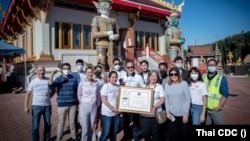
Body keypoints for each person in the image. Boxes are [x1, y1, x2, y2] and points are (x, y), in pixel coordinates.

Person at [49, 63, 79, 141]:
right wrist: (52, 74)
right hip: (62, 104)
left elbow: (77, 91)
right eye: (64, 68)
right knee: (61, 123)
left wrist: (78, 103)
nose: (66, 70)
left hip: (73, 104)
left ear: (70, 69)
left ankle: (74, 137)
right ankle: (59, 138)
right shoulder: (59, 79)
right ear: (62, 70)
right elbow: (50, 86)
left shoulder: (74, 79)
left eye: (68, 68)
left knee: (72, 122)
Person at [24, 66, 54, 141]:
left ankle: (46, 139)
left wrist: (47, 97)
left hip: (47, 106)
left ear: (45, 71)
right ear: (36, 72)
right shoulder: (33, 81)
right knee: (35, 126)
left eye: (43, 70)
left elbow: (53, 90)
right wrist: (25, 106)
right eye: (39, 70)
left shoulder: (48, 80)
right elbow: (28, 94)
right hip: (36, 106)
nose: (41, 72)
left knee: (48, 124)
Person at [91, 0, 120, 72]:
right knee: (101, 63)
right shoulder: (96, 19)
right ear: (100, 7)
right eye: (104, 6)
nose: (108, 8)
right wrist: (106, 33)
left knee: (113, 63)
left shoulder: (113, 20)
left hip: (112, 45)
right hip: (101, 45)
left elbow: (118, 35)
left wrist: (114, 36)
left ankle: (113, 77)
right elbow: (94, 34)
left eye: (109, 6)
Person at [164, 67, 191, 141]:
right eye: (171, 74)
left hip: (183, 114)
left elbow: (188, 99)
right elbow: (166, 99)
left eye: (175, 74)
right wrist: (167, 112)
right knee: (174, 136)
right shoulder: (167, 85)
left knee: (184, 136)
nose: (173, 76)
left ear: (178, 74)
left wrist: (186, 113)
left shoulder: (184, 83)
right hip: (172, 115)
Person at [120, 60, 144, 141]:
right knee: (126, 121)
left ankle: (136, 137)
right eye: (128, 67)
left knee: (136, 121)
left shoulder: (139, 77)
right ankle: (127, 136)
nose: (130, 68)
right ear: (126, 68)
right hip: (125, 103)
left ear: (134, 67)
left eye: (132, 67)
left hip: (135, 104)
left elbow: (143, 87)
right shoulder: (122, 77)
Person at [77, 67, 102, 141]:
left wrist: (97, 104)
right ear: (85, 74)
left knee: (91, 127)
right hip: (84, 106)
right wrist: (83, 103)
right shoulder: (81, 84)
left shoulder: (96, 83)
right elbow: (79, 95)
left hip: (93, 107)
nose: (89, 74)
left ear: (93, 73)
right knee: (85, 128)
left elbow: (98, 95)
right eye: (87, 72)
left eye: (91, 72)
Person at [202, 59, 229, 125]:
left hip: (216, 110)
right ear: (207, 66)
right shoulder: (203, 76)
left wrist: (219, 106)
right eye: (210, 65)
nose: (211, 66)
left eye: (213, 65)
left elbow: (225, 94)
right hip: (205, 109)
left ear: (216, 66)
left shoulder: (221, 78)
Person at [140, 71, 165, 141]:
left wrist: (155, 107)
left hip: (156, 114)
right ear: (149, 77)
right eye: (152, 76)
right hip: (145, 115)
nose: (153, 78)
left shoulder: (160, 87)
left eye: (155, 76)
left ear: (157, 78)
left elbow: (162, 99)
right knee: (146, 133)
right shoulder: (143, 86)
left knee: (156, 133)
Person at [99, 71, 120, 141]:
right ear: (109, 78)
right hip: (107, 114)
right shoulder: (106, 86)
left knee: (114, 132)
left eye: (116, 77)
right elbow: (104, 100)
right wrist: (112, 108)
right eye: (113, 77)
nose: (114, 79)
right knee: (106, 132)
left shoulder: (118, 87)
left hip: (116, 114)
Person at [92, 65, 105, 141]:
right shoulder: (91, 79)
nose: (98, 71)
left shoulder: (102, 79)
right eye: (97, 70)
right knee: (94, 117)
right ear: (94, 70)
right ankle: (93, 132)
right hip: (93, 101)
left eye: (100, 70)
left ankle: (99, 131)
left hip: (101, 100)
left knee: (100, 117)